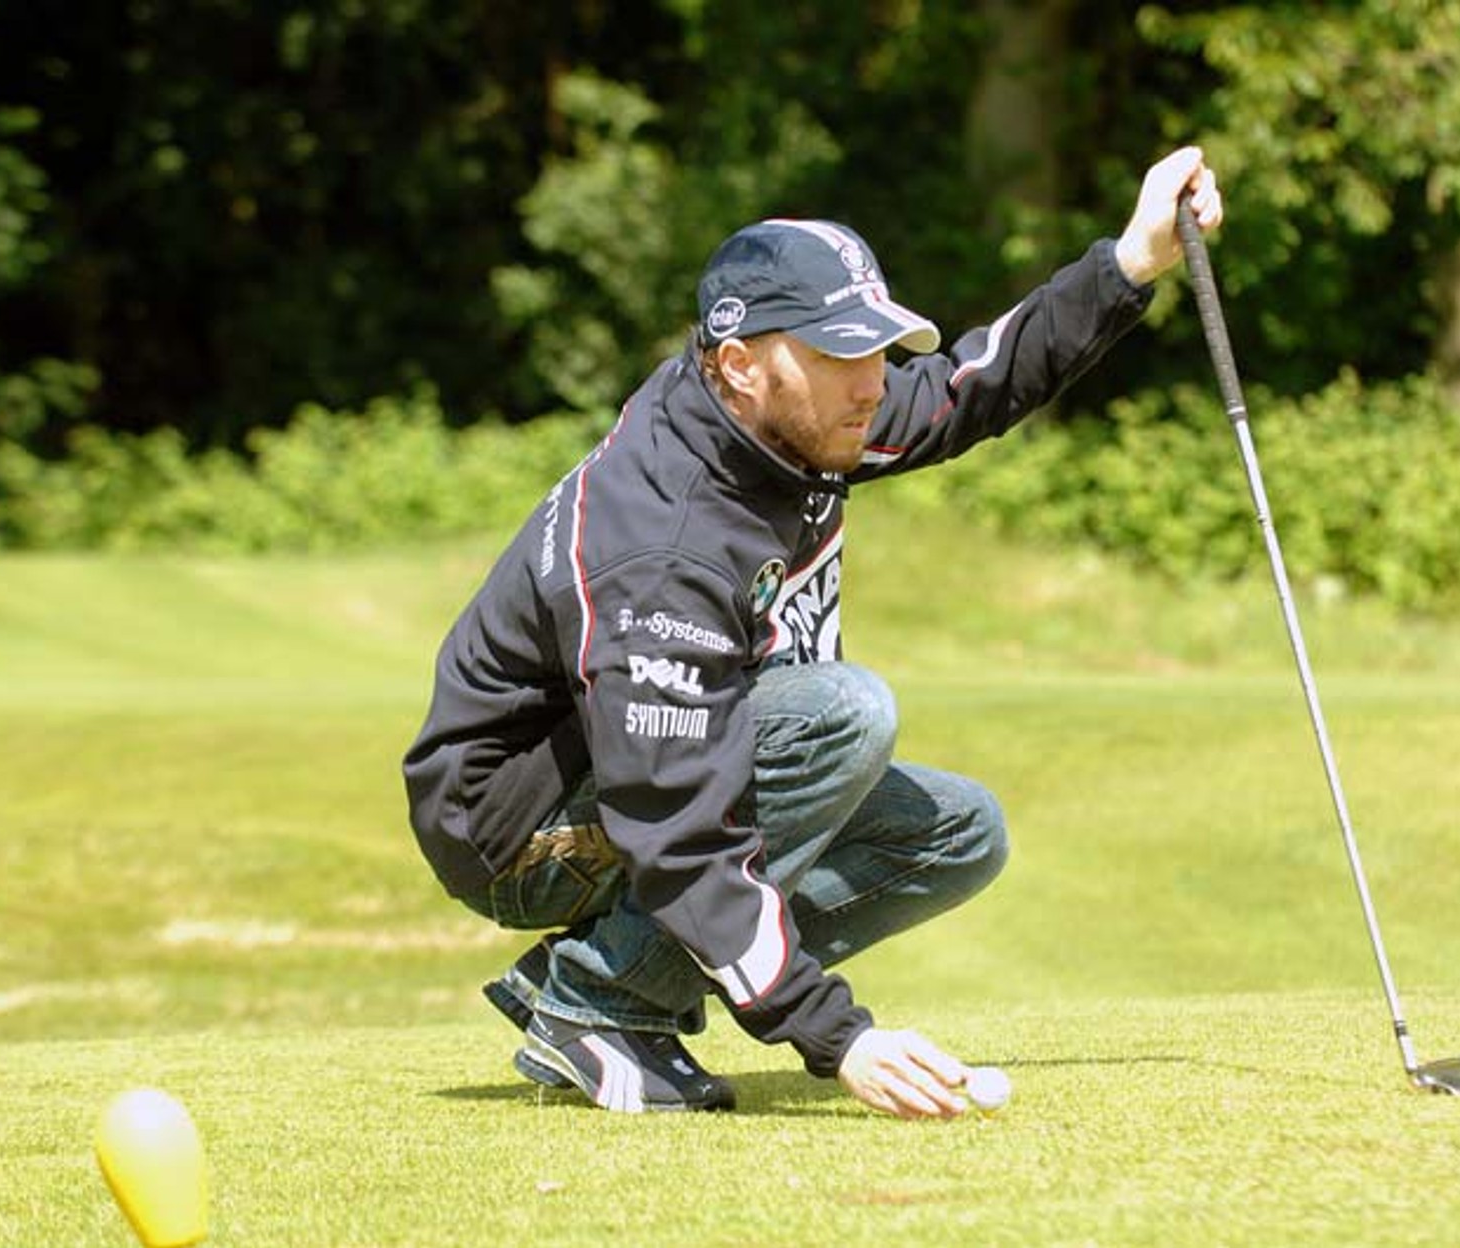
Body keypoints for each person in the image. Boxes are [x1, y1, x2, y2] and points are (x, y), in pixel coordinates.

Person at [404, 147, 1223, 1117]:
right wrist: (833, 1034)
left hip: (644, 778)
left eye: (875, 349)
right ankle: (599, 1001)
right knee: (842, 715)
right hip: (515, 829)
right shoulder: (662, 544)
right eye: (839, 355)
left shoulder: (794, 419)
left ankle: (597, 981)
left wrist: (1130, 259)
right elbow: (673, 825)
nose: (871, 383)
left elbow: (969, 388)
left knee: (957, 834)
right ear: (740, 364)